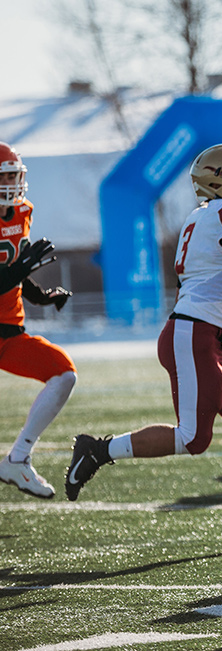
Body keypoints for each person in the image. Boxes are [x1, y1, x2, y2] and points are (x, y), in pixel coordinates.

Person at [64, 143, 222, 547]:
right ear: (218, 177)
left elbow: (206, 289)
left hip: (210, 333)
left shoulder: (204, 217)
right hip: (194, 336)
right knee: (193, 439)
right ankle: (97, 450)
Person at [0, 142, 76, 499]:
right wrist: (20, 268)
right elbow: (13, 269)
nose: (13, 182)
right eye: (5, 175)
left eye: (15, 174)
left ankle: (18, 458)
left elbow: (13, 272)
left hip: (9, 331)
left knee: (63, 374)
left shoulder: (21, 211)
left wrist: (42, 297)